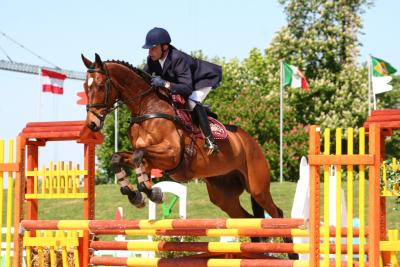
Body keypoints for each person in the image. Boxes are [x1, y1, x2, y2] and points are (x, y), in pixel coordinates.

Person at [142, 27, 222, 155]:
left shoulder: (178, 58)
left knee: (192, 102)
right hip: (183, 82)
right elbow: (143, 77)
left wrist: (164, 83)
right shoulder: (152, 59)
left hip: (201, 80)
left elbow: (187, 89)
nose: (150, 52)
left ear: (164, 47)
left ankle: (210, 140)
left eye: (153, 48)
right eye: (149, 48)